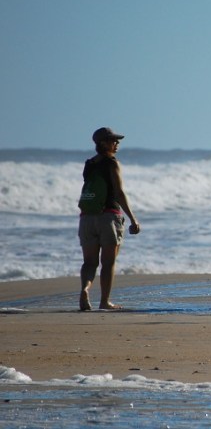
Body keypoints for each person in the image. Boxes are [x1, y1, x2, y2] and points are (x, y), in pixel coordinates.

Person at [78, 127, 141, 311]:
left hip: (87, 218)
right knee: (108, 262)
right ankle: (104, 301)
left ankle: (85, 290)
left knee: (89, 262)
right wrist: (133, 219)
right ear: (103, 143)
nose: (117, 143)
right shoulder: (112, 163)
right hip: (108, 217)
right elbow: (119, 193)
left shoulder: (89, 164)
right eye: (113, 140)